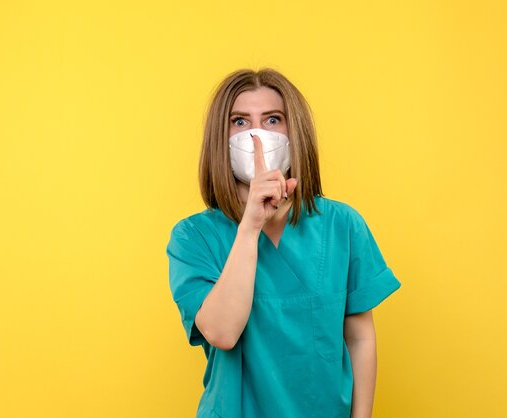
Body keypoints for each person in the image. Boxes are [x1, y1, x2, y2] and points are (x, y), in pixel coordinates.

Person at [166, 68, 401, 418]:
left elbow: (359, 339)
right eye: (240, 122)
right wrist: (250, 225)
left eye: (272, 119)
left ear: (295, 132)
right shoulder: (193, 237)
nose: (257, 134)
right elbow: (222, 332)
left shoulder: (342, 226)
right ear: (220, 136)